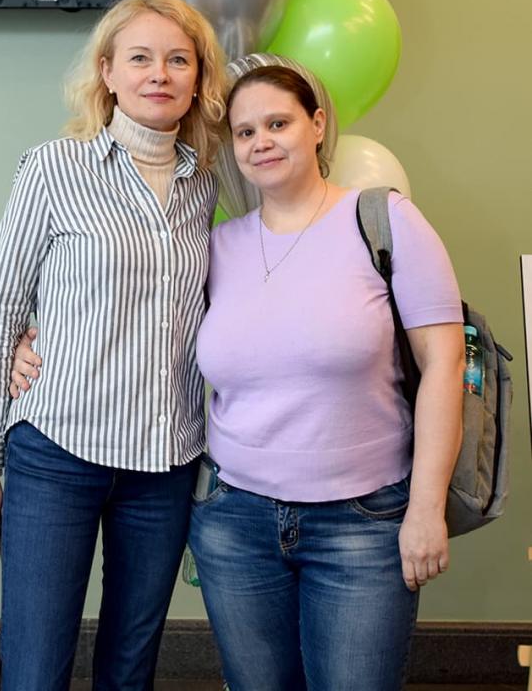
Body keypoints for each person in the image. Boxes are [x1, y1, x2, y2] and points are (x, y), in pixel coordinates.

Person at [0, 0, 226, 691]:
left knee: (130, 673)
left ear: (198, 78)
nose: (159, 74)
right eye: (139, 58)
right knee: (34, 672)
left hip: (165, 462)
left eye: (179, 60)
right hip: (57, 455)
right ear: (106, 71)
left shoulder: (208, 184)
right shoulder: (54, 167)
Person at [186, 64, 465, 691]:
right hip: (234, 522)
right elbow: (139, 331)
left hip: (362, 524)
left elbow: (445, 364)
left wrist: (426, 509)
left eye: (278, 123)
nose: (261, 142)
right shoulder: (218, 247)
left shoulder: (385, 222)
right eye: (245, 132)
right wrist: (33, 340)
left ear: (316, 125)